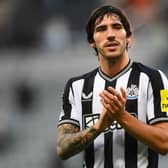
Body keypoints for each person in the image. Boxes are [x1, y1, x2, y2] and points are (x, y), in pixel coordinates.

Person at [56, 5, 168, 168]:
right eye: (101, 29)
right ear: (92, 42)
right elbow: (62, 148)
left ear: (129, 37)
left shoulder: (155, 79)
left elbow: (165, 142)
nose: (110, 35)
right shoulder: (76, 87)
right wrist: (98, 127)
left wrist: (121, 116)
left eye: (117, 27)